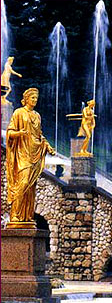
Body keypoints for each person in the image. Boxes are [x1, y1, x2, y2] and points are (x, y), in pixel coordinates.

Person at [6, 88, 55, 228]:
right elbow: (10, 132)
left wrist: (48, 146)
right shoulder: (19, 113)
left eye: (36, 98)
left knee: (30, 187)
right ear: (26, 98)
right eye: (32, 98)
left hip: (35, 153)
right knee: (23, 182)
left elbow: (39, 135)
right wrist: (19, 133)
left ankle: (26, 216)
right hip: (22, 154)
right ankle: (15, 215)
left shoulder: (37, 115)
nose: (35, 100)